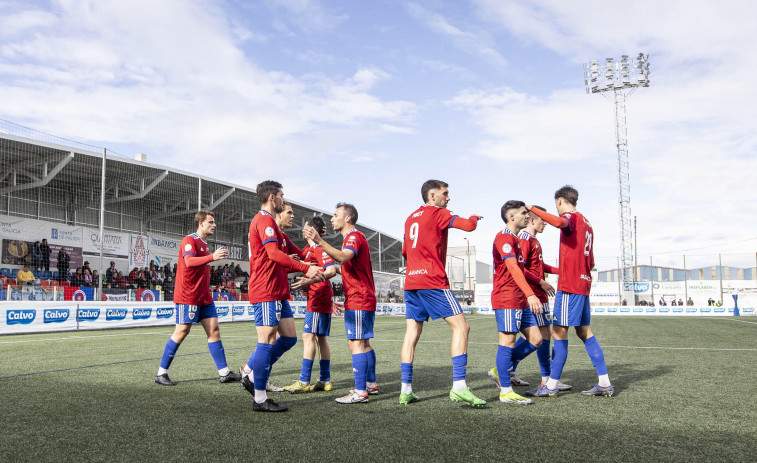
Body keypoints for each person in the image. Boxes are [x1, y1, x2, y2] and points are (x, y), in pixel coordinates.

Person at [397, 179, 485, 407]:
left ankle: (405, 390)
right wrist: (475, 217)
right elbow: (469, 226)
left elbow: (405, 251)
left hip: (412, 281)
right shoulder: (438, 213)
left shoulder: (410, 219)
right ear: (433, 196)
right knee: (462, 327)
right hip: (432, 280)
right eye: (445, 194)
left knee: (411, 334)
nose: (448, 198)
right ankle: (459, 387)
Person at [240, 181, 320, 412]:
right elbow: (274, 254)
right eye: (283, 197)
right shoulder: (264, 220)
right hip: (265, 289)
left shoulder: (273, 226)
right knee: (266, 342)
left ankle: (251, 373)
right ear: (273, 197)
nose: (285, 201)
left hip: (277, 291)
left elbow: (294, 254)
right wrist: (306, 268)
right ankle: (260, 397)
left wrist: (314, 242)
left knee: (288, 338)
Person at [528, 185, 613, 397]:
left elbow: (559, 222)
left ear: (559, 201)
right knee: (584, 332)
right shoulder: (587, 222)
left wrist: (533, 208)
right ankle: (604, 382)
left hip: (570, 285)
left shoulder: (571, 217)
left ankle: (551, 386)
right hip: (584, 284)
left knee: (558, 332)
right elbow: (591, 260)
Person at [488, 205, 572, 395]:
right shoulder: (519, 238)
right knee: (519, 338)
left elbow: (534, 265)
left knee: (538, 338)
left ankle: (510, 372)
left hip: (525, 295)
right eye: (542, 219)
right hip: (519, 294)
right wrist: (536, 287)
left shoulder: (522, 239)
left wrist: (562, 271)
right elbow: (518, 268)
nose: (545, 223)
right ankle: (540, 379)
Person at [154, 210, 241, 387]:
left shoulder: (204, 244)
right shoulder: (189, 240)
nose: (214, 225)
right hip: (188, 296)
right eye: (211, 222)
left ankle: (224, 372)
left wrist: (211, 256)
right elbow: (189, 262)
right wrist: (212, 257)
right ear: (200, 223)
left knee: (214, 329)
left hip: (204, 296)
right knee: (181, 332)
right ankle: (161, 373)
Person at [303, 202, 378, 404]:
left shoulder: (353, 237)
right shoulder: (352, 238)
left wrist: (319, 240)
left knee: (356, 343)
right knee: (364, 343)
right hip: (361, 297)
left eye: (336, 215)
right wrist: (312, 278)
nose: (332, 218)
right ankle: (370, 384)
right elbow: (338, 267)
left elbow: (344, 258)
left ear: (347, 218)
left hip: (359, 298)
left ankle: (360, 392)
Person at [484, 201, 545, 405]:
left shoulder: (517, 240)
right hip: (507, 296)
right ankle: (506, 391)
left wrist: (538, 283)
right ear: (511, 217)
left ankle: (499, 370)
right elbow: (512, 267)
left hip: (520, 297)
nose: (528, 216)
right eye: (523, 213)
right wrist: (531, 294)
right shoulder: (504, 237)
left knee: (536, 339)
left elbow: (522, 269)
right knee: (508, 341)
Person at [285, 216, 339, 393]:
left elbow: (330, 270)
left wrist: (308, 282)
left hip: (318, 296)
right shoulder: (308, 249)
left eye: (305, 226)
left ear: (310, 230)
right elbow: (297, 263)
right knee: (320, 337)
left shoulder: (317, 247)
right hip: (318, 295)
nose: (302, 229)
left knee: (307, 337)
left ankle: (304, 381)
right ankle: (325, 380)